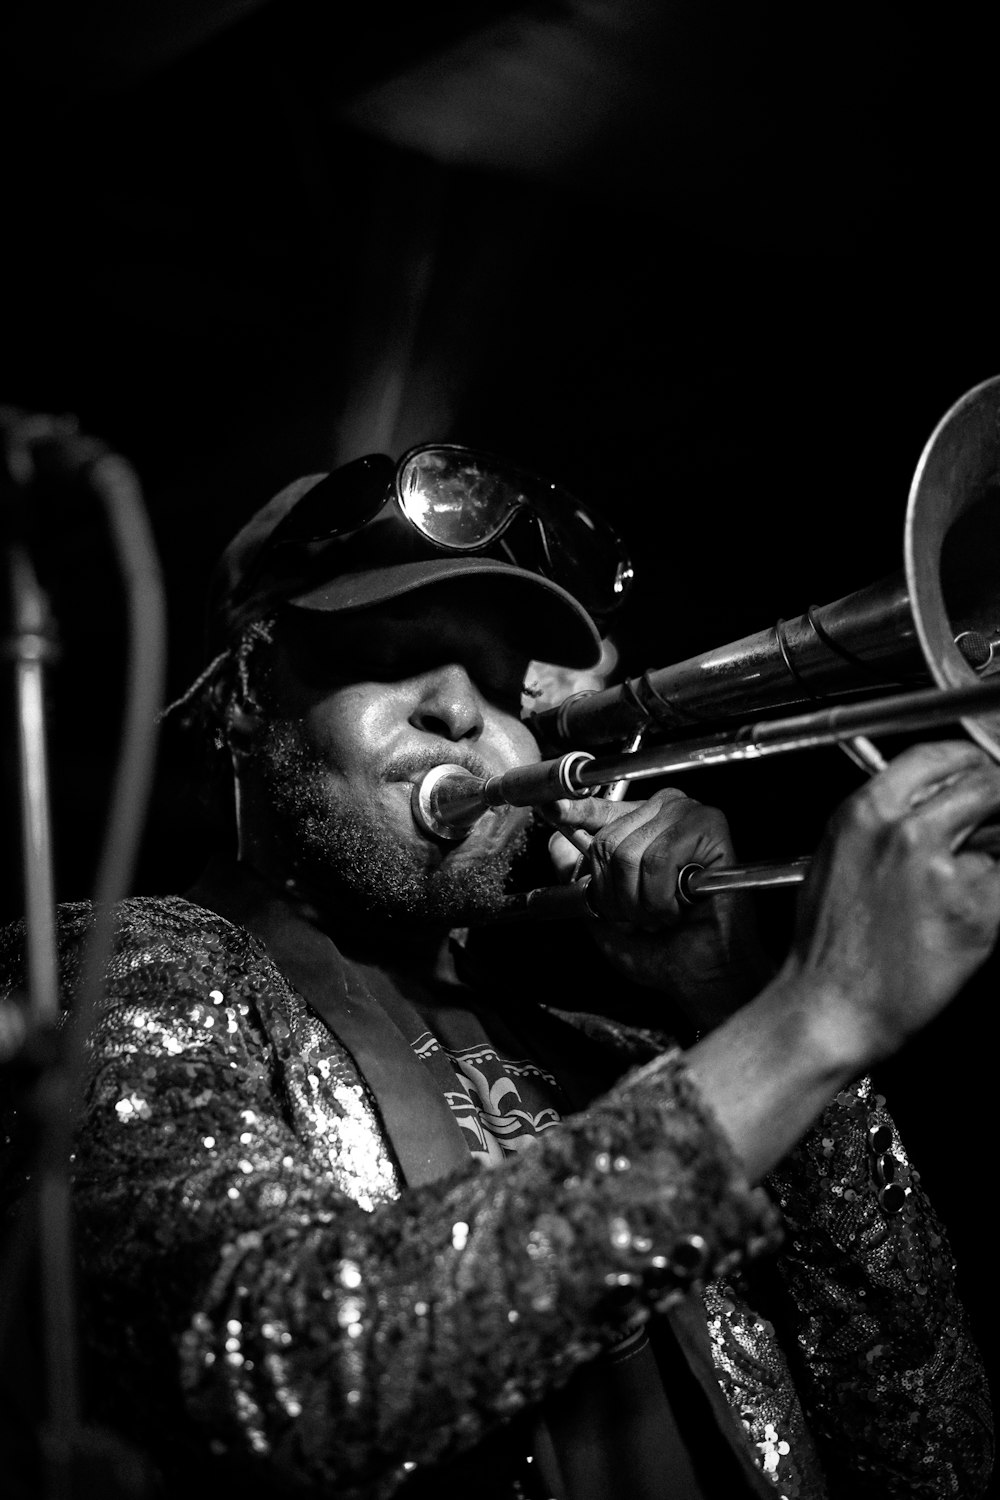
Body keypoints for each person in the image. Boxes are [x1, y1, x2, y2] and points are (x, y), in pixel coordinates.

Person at [0, 441, 996, 1500]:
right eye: (394, 652)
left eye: (499, 680)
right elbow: (284, 1380)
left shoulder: (634, 1060)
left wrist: (736, 1000)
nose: (461, 712)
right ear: (249, 692)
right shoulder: (117, 969)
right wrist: (811, 1017)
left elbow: (932, 1453)